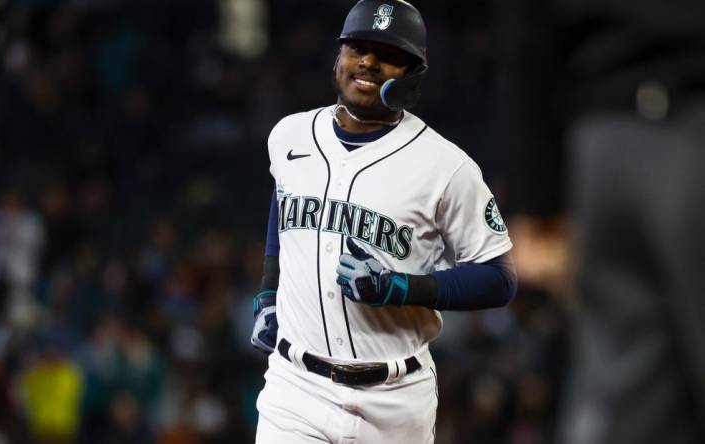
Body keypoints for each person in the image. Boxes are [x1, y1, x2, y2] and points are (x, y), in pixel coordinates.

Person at [250, 1, 518, 443]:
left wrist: (402, 287)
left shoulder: (446, 167)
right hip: (294, 389)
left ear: (413, 75)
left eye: (388, 54)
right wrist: (267, 287)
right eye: (358, 47)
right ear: (338, 57)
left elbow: (499, 279)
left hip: (395, 401)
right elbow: (284, 197)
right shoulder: (289, 135)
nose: (369, 62)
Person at [498, 0, 705, 443]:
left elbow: (526, 25)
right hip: (687, 108)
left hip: (602, 144)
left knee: (628, 411)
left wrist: (537, 198)